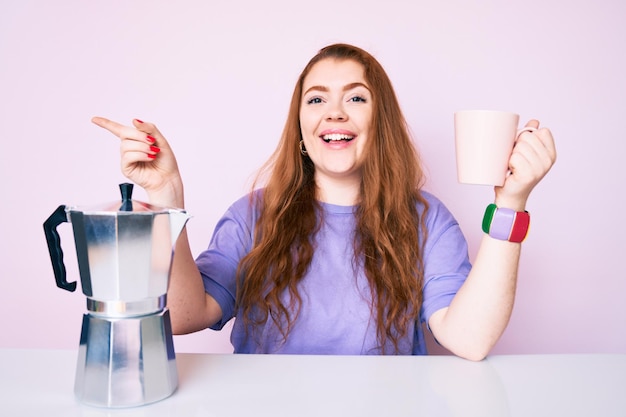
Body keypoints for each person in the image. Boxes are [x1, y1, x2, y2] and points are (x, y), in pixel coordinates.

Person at [92, 43, 556, 360]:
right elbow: (187, 315)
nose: (334, 111)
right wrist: (167, 196)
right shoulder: (253, 214)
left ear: (381, 124)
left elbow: (470, 339)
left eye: (356, 97)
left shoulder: (427, 220)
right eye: (316, 100)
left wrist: (511, 204)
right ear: (300, 129)